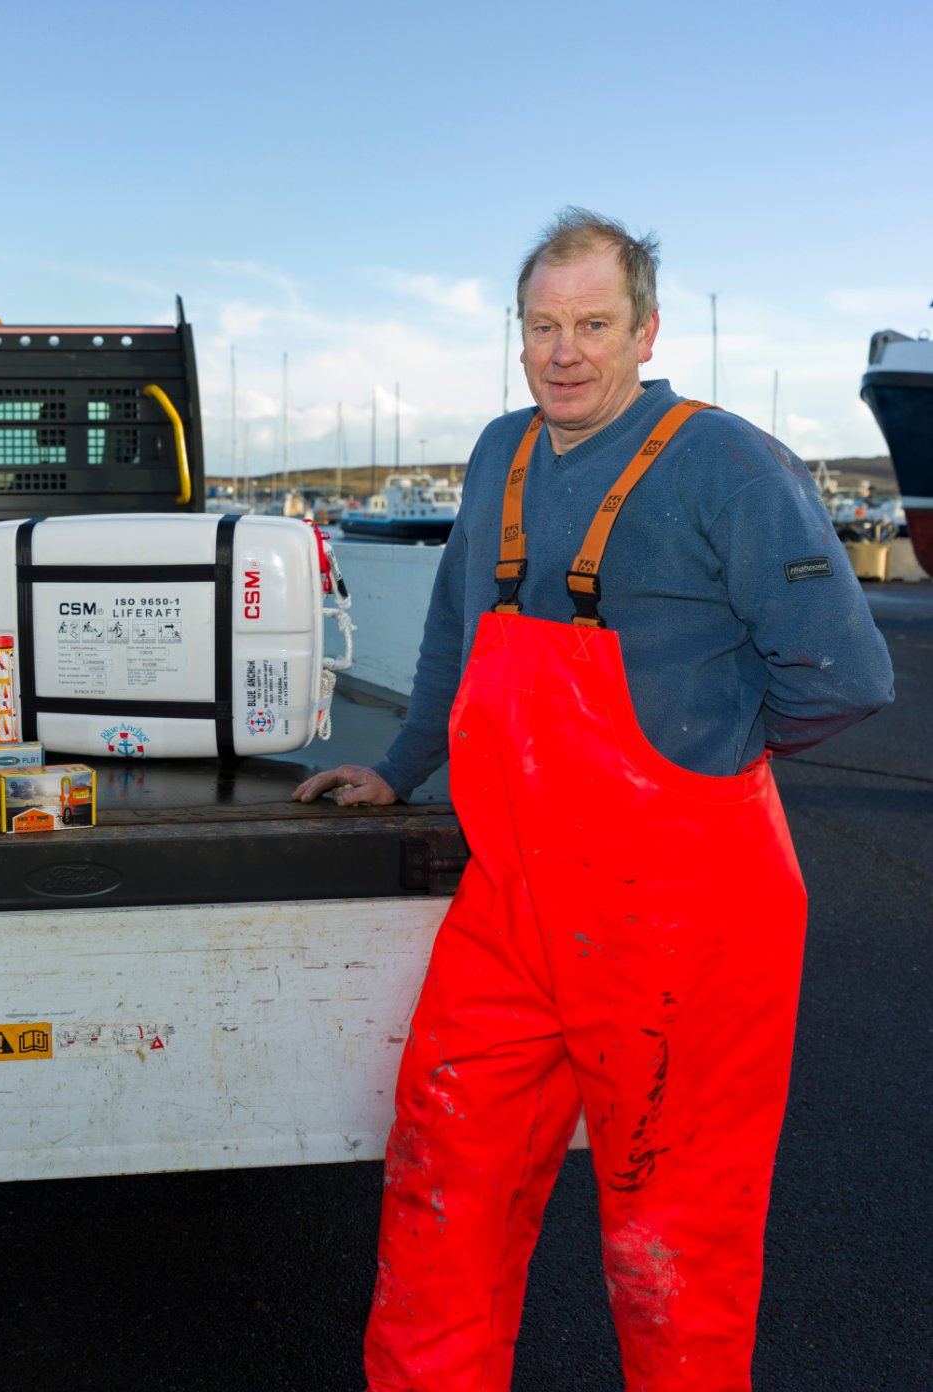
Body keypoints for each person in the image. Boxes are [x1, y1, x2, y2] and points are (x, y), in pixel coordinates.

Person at [295, 209, 893, 1390]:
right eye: (540, 327)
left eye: (591, 325)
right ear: (517, 337)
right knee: (438, 1190)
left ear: (644, 331)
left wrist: (697, 755)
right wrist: (399, 765)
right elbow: (455, 641)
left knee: (671, 1246)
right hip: (512, 910)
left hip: (686, 926)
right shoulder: (496, 453)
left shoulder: (724, 463)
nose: (563, 352)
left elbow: (845, 676)